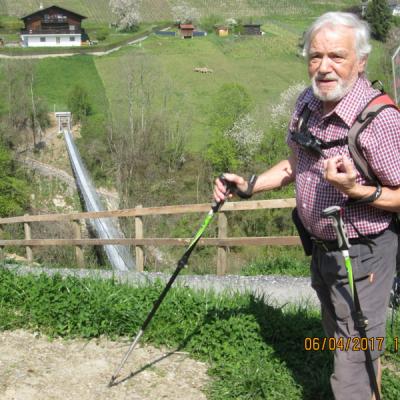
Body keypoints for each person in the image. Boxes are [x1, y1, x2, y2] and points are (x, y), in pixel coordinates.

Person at [213, 12, 400, 400]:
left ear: (361, 61)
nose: (324, 67)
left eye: (337, 56)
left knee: (350, 370)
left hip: (364, 255)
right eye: (316, 56)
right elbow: (295, 165)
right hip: (321, 250)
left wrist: (356, 190)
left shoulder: (380, 121)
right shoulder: (307, 103)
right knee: (347, 343)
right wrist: (249, 185)